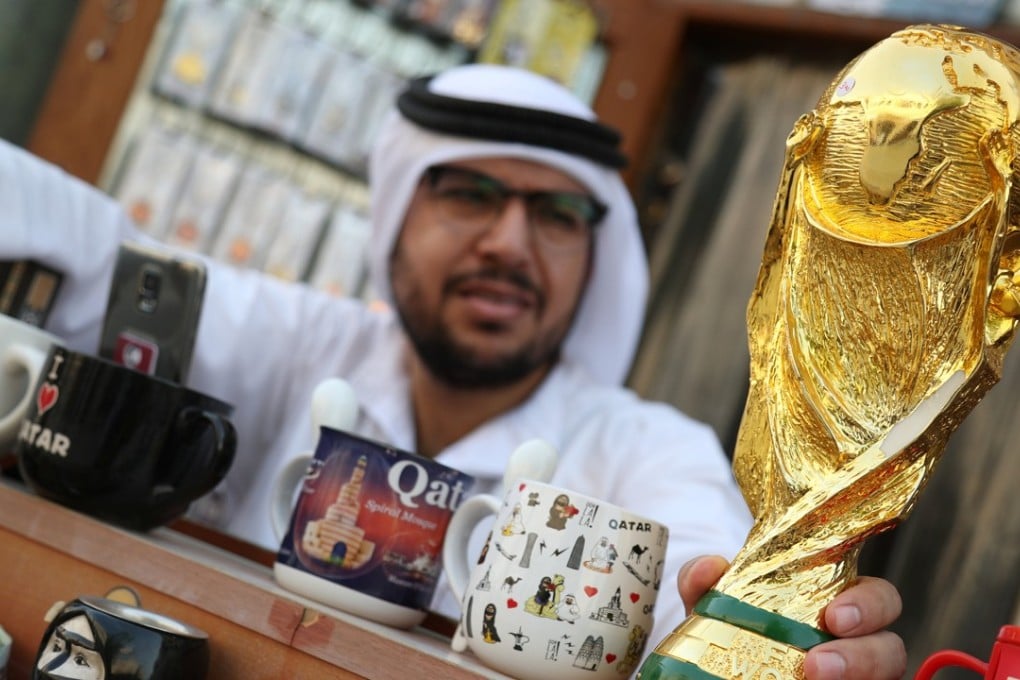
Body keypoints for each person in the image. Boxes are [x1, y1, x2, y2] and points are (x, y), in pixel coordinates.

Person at [0, 63, 905, 678]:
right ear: (396, 213)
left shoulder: (646, 450)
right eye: (469, 194)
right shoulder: (296, 341)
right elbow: (94, 257)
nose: (510, 244)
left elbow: (706, 597)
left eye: (556, 215)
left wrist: (786, 634)